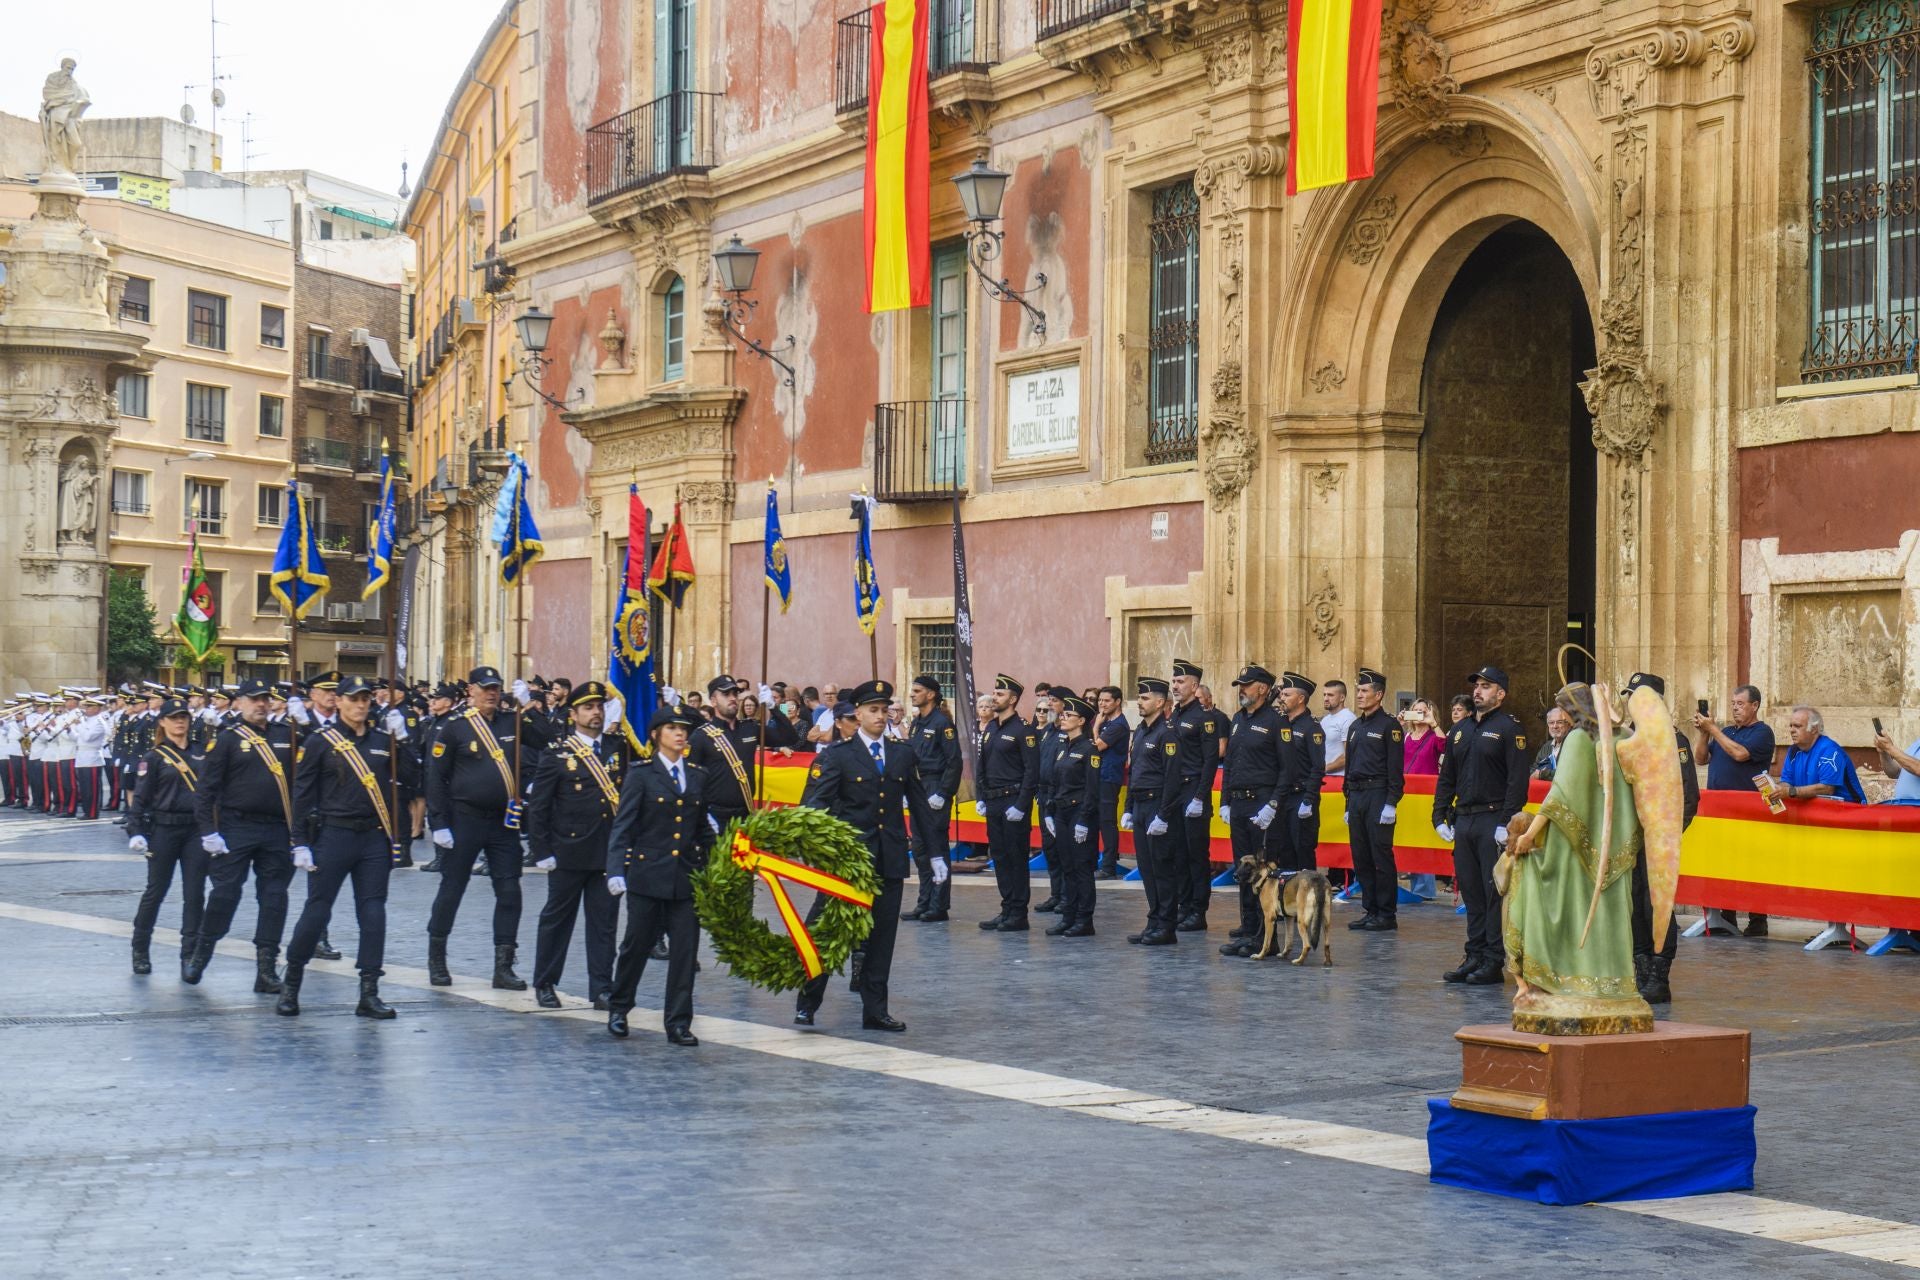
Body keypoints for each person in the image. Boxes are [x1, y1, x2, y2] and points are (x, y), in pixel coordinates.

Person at [1504, 681, 1672, 1033]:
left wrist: (1529, 837)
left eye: (1563, 706)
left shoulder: (1579, 741)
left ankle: (1569, 979)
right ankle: (1613, 985)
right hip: (1611, 851)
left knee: (1550, 895)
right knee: (1610, 916)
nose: (1561, 715)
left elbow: (1560, 799)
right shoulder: (1623, 739)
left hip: (1572, 852)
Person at [277, 675, 416, 1019]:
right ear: (338, 702)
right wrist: (299, 841)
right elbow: (302, 792)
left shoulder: (383, 740)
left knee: (373, 913)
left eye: (366, 699)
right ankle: (292, 981)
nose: (360, 705)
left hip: (372, 837)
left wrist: (405, 740)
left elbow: (413, 779)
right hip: (333, 834)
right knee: (318, 909)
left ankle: (369, 991)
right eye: (353, 699)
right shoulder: (321, 741)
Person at [796, 680, 926, 1031]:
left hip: (889, 859)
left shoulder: (902, 753)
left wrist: (936, 855)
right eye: (873, 710)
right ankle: (808, 1001)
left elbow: (918, 805)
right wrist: (820, 849)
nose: (880, 716)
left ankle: (875, 1010)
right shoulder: (838, 756)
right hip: (848, 861)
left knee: (882, 939)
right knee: (827, 931)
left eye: (884, 710)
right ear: (857, 713)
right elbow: (813, 805)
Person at [601, 705, 709, 1045]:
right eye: (672, 728)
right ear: (655, 735)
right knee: (636, 945)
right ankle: (619, 1007)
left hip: (685, 878)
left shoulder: (697, 775)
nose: (680, 734)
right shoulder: (641, 774)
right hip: (648, 876)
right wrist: (616, 868)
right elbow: (624, 826)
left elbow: (702, 828)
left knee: (684, 953)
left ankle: (678, 1021)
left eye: (683, 729)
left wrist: (731, 853)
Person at [526, 682, 633, 1010]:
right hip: (568, 852)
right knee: (557, 921)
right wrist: (541, 850)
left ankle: (601, 987)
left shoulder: (617, 748)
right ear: (573, 714)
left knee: (604, 925)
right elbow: (540, 806)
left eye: (599, 706)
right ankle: (545, 982)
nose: (596, 712)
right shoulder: (558, 754)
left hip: (607, 853)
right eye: (588, 707)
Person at [424, 666, 531, 991]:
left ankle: (504, 966)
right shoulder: (455, 728)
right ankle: (437, 958)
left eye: (496, 688)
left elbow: (550, 737)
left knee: (510, 891)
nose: (491, 693)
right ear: (470, 690)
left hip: (503, 822)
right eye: (485, 688)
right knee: (452, 889)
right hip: (464, 818)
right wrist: (439, 822)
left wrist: (531, 709)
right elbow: (435, 777)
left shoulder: (512, 722)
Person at [187, 678, 296, 993]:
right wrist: (208, 830)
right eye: (253, 699)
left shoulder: (286, 735)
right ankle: (201, 953)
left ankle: (266, 968)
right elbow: (205, 790)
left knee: (274, 898)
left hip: (277, 827)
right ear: (240, 702)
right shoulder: (227, 739)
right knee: (225, 893)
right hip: (237, 826)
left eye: (264, 698)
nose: (260, 704)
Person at [1432, 665, 1532, 985]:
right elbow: (1448, 776)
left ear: (1501, 694)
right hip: (1465, 818)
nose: (1478, 691)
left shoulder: (1508, 728)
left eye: (1486, 686)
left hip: (1492, 818)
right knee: (1471, 891)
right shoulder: (1461, 730)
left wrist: (1506, 822)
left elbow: (1517, 781)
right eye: (1476, 685)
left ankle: (1492, 959)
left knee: (1492, 893)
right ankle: (1473, 954)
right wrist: (1439, 814)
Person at [1621, 673, 1699, 1005]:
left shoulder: (1673, 741)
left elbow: (1689, 797)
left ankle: (1658, 975)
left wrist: (1665, 835)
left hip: (1658, 842)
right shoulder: (1629, 740)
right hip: (1632, 842)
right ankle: (1640, 970)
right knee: (1634, 908)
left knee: (1658, 909)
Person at [126, 698, 208, 979]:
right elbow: (141, 799)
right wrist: (135, 830)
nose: (179, 722)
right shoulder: (154, 757)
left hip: (195, 830)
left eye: (183, 716)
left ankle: (189, 954)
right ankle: (140, 949)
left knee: (195, 894)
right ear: (162, 722)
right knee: (156, 891)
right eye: (173, 717)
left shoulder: (201, 752)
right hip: (164, 829)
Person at [1691, 684, 1776, 936]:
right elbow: (1700, 758)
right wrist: (1704, 734)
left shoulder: (1762, 733)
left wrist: (1713, 730)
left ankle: (1758, 920)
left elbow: (1740, 754)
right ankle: (1726, 918)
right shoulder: (1726, 732)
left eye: (1740, 704)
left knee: (1751, 867)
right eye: (1733, 704)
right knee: (1722, 865)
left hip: (1750, 815)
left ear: (1754, 706)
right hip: (1720, 814)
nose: (1735, 708)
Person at [1219, 665, 1291, 958]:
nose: (1242, 690)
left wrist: (1273, 804)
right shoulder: (1237, 720)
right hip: (1238, 803)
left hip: (1262, 803)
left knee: (1264, 874)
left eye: (1247, 685)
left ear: (1262, 688)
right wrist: (1225, 800)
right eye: (1240, 685)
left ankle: (1267, 938)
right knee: (1243, 871)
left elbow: (1288, 770)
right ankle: (1248, 931)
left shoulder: (1276, 722)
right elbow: (1231, 764)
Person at [1160, 659, 1222, 931]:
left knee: (1196, 855)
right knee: (1178, 853)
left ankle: (1198, 910)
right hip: (1174, 792)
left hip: (1193, 789)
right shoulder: (1174, 715)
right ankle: (1183, 906)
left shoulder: (1204, 718)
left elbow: (1210, 761)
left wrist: (1200, 796)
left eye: (1180, 681)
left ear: (1194, 686)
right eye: (1173, 681)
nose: (1175, 686)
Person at [1343, 667, 1406, 933]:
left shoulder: (1389, 726)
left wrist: (1391, 802)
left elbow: (1395, 769)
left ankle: (1386, 913)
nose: (1359, 695)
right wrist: (1348, 803)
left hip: (1378, 794)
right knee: (1361, 856)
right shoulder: (1356, 726)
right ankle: (1370, 910)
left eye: (1364, 691)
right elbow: (1349, 767)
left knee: (1380, 856)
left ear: (1378, 695)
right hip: (1357, 795)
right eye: (1358, 690)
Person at [975, 675, 1039, 933]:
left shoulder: (1023, 730)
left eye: (1000, 695)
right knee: (999, 857)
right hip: (993, 801)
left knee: (1016, 858)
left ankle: (1019, 913)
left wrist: (1022, 805)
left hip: (1013, 801)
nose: (994, 698)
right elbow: (982, 765)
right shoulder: (991, 728)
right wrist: (980, 796)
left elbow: (1031, 771)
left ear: (1013, 699)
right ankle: (1006, 908)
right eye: (994, 693)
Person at [901, 675, 962, 923]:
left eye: (917, 690)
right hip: (918, 787)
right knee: (919, 847)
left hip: (935, 785)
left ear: (931, 694)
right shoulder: (917, 723)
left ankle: (939, 904)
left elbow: (954, 762)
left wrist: (944, 793)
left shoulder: (942, 724)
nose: (912, 694)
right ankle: (924, 901)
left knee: (936, 845)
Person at [1120, 677, 1176, 945]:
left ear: (1160, 702)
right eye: (1139, 698)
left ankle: (1166, 925)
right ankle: (1153, 920)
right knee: (1146, 868)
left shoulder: (1167, 733)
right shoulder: (1141, 731)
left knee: (1162, 869)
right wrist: (1129, 807)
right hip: (1141, 804)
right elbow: (1135, 772)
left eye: (1144, 698)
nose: (1140, 703)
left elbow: (1172, 778)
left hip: (1157, 806)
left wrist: (1163, 815)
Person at [1044, 695, 1102, 936]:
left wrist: (1085, 819)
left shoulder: (1089, 749)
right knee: (1066, 865)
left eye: (1068, 715)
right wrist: (1049, 810)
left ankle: (1084, 919)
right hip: (1061, 811)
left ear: (1081, 721)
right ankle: (1068, 915)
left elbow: (1092, 788)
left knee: (1081, 867)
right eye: (1063, 714)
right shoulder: (1062, 747)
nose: (1063, 718)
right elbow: (1054, 782)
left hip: (1079, 812)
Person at [1277, 673, 1325, 874]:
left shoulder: (1311, 728)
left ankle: (1308, 901)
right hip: (1283, 796)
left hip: (1301, 796)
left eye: (1287, 694)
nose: (1282, 698)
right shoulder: (1281, 724)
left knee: (1302, 851)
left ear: (1300, 699)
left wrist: (1309, 799)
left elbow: (1317, 767)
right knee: (1284, 851)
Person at [1777, 705, 1865, 804]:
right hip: (1814, 812)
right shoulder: (1793, 751)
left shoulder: (1829, 750)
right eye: (1791, 726)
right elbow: (1786, 782)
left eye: (1797, 726)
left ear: (1814, 729)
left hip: (1849, 811)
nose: (1791, 730)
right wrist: (1778, 790)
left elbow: (1827, 789)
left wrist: (1791, 792)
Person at [1401, 698, 1444, 897]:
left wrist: (1433, 723)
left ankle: (1426, 888)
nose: (1418, 714)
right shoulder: (1407, 736)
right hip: (1407, 793)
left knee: (1424, 839)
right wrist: (1398, 725)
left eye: (1422, 711)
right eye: (1415, 710)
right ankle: (1415, 880)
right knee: (1411, 837)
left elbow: (1446, 747)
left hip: (1426, 793)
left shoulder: (1433, 736)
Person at [1034, 688, 1067, 914]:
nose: (1050, 706)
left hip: (1060, 796)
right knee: (1050, 848)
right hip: (1044, 794)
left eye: (1054, 701)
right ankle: (1056, 893)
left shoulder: (1068, 732)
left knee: (1063, 848)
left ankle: (1067, 895)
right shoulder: (1048, 731)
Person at [1092, 686, 1130, 879]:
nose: (1102, 704)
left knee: (1107, 821)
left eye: (1106, 701)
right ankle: (1096, 860)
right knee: (1096, 820)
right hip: (1098, 776)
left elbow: (1097, 746)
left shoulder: (1118, 725)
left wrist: (1095, 727)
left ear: (1117, 702)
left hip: (1109, 777)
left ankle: (1108, 866)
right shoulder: (1106, 721)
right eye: (1100, 700)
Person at [1320, 680, 1356, 778]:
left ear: (1342, 697)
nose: (1326, 698)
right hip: (1323, 777)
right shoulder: (1325, 720)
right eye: (1324, 694)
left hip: (1339, 779)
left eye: (1330, 695)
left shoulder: (1348, 719)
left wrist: (1323, 769)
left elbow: (1349, 754)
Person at [1531, 706, 1573, 781]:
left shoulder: (1573, 745)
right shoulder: (1547, 746)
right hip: (1545, 791)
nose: (1555, 726)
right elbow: (1533, 770)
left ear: (1569, 725)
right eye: (1551, 723)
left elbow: (1569, 773)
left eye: (1560, 722)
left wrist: (1543, 774)